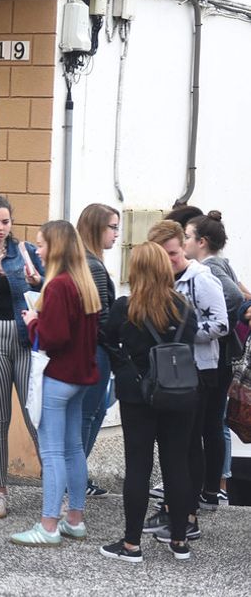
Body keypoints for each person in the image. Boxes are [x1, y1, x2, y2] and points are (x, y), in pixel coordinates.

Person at [100, 242, 198, 563]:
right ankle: (180, 540)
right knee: (176, 465)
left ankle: (131, 544)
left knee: (138, 467)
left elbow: (105, 338)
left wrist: (124, 366)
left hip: (137, 395)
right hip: (179, 394)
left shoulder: (125, 307)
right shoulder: (184, 308)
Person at [10, 220, 101, 547]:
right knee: (73, 448)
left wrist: (34, 322)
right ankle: (74, 519)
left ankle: (48, 525)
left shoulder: (60, 286)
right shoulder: (82, 281)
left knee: (51, 453)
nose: (38, 250)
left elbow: (54, 337)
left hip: (58, 376)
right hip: (80, 377)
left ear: (57, 247)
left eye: (42, 244)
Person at [145, 219, 227, 538]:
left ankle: (189, 514)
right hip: (171, 369)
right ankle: (171, 507)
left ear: (183, 247)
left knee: (191, 441)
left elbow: (221, 323)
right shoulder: (161, 278)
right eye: (163, 255)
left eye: (174, 253)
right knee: (172, 442)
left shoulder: (201, 279)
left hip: (199, 370)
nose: (170, 260)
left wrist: (183, 335)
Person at [0, 194, 44, 519]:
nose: (1, 228)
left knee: (36, 417)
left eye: (6, 221)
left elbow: (50, 290)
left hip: (25, 338)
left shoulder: (26, 252)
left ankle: (53, 488)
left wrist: (38, 280)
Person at [184, 210, 249, 504]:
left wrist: (221, 322)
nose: (184, 243)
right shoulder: (219, 264)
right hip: (220, 359)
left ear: (202, 242)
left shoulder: (210, 268)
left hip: (217, 358)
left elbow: (235, 297)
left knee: (208, 424)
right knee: (212, 423)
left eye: (187, 237)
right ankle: (211, 487)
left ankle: (208, 487)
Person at [75, 203, 119, 496]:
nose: (117, 234)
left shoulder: (83, 261)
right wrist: (115, 345)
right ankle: (75, 478)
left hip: (89, 349)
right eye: (112, 227)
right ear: (96, 228)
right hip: (96, 351)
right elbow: (102, 318)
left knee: (93, 412)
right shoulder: (93, 265)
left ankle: (75, 476)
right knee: (89, 415)